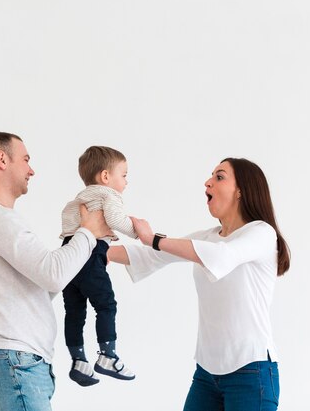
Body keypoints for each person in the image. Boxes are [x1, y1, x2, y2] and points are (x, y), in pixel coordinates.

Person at [108, 157, 290, 411]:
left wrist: (154, 238)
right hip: (207, 374)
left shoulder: (261, 233)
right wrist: (97, 252)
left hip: (252, 371)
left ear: (241, 191)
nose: (208, 182)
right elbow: (150, 256)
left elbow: (222, 256)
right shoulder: (207, 238)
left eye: (219, 177)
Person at [0, 132, 111, 411]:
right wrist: (88, 232)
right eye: (26, 159)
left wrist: (85, 256)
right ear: (2, 159)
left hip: (15, 364)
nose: (31, 169)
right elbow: (52, 273)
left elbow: (44, 284)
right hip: (14, 365)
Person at [59, 146, 137, 386]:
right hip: (90, 257)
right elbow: (114, 219)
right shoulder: (108, 195)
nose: (126, 181)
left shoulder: (77, 200)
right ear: (105, 177)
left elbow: (68, 226)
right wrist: (138, 231)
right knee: (106, 305)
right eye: (123, 175)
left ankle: (78, 361)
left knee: (74, 312)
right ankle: (107, 355)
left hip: (69, 256)